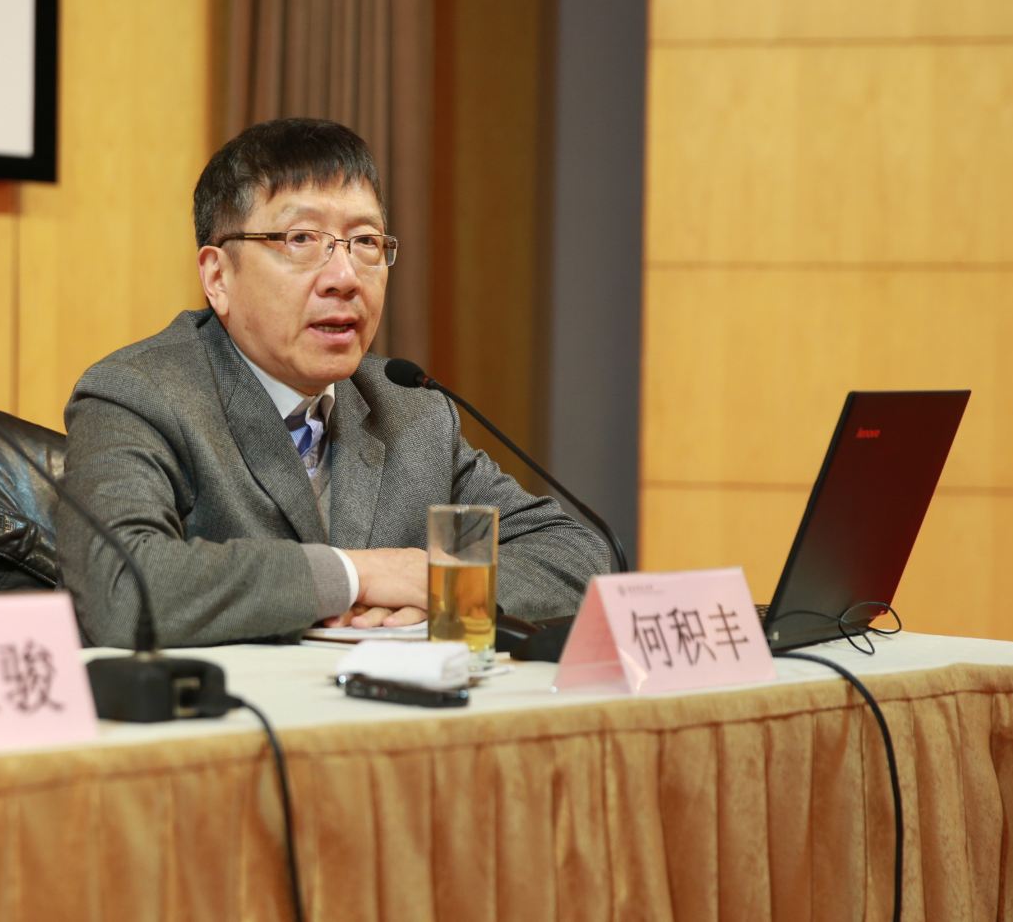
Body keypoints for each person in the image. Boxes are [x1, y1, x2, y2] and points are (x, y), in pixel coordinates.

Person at [58, 118, 606, 648]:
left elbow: (575, 555)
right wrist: (354, 576)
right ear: (218, 276)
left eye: (365, 241)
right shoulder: (140, 393)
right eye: (301, 238)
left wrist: (440, 588)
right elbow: (120, 588)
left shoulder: (409, 410)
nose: (344, 278)